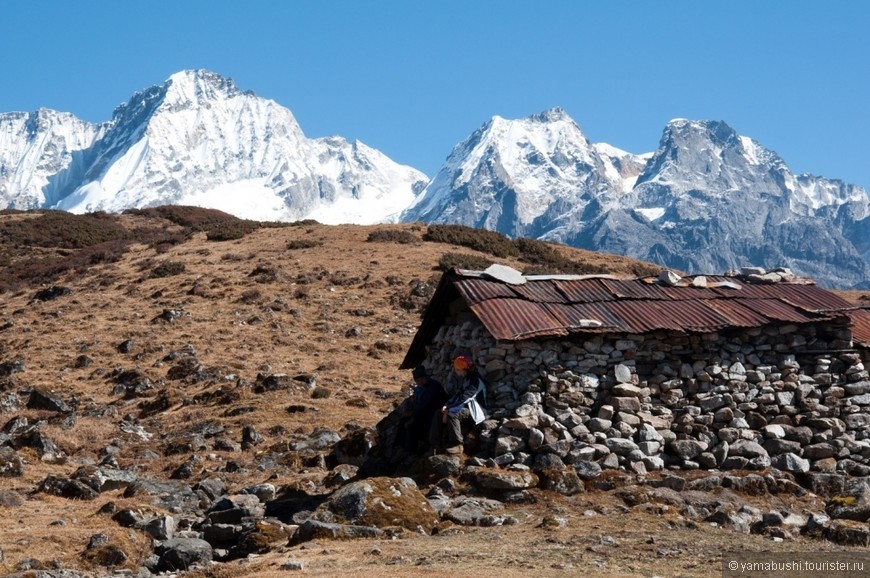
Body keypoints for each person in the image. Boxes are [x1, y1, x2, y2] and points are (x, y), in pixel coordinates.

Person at [429, 355, 488, 455]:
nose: (455, 371)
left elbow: (467, 397)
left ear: (460, 369)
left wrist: (449, 408)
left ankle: (458, 445)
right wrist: (446, 405)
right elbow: (458, 394)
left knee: (452, 414)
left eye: (456, 369)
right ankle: (435, 445)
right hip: (463, 407)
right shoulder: (466, 379)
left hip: (476, 411)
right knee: (438, 413)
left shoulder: (476, 381)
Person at [398, 364, 446, 453]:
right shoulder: (421, 389)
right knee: (403, 422)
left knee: (412, 426)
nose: (419, 383)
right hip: (425, 414)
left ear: (425, 378)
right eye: (417, 381)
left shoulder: (433, 386)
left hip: (434, 416)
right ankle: (400, 448)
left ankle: (410, 452)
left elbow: (424, 405)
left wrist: (413, 418)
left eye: (420, 380)